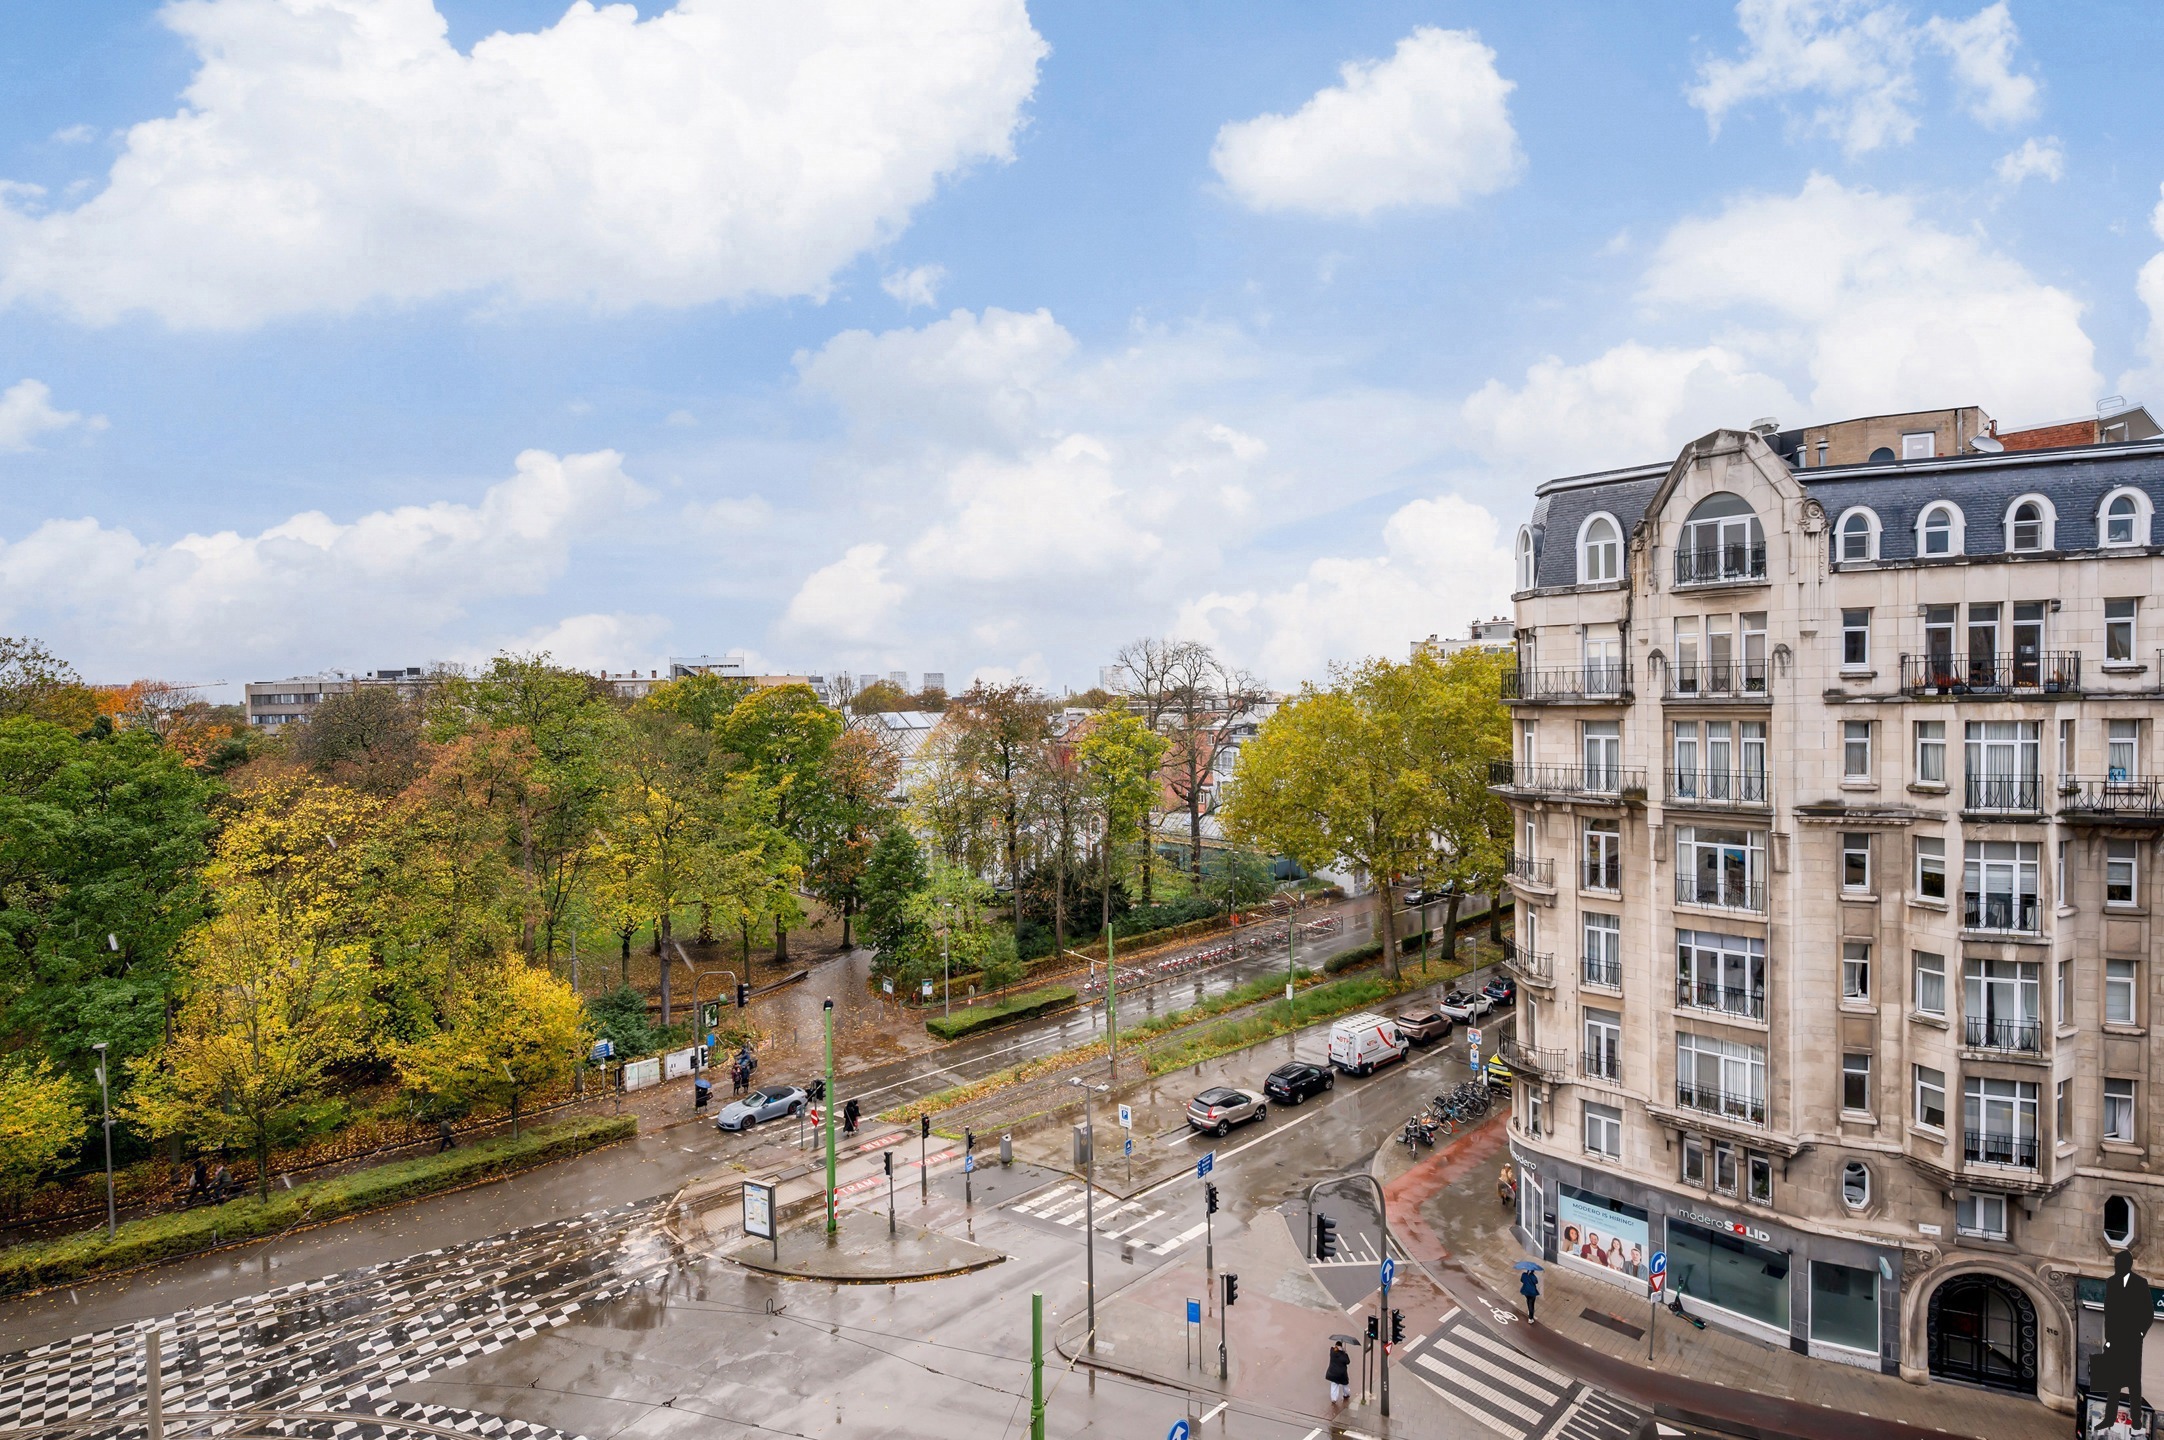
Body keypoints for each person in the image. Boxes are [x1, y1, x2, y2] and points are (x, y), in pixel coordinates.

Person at [1325, 1340, 1351, 1406]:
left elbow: (1332, 1348)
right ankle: (1346, 1394)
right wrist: (1345, 1353)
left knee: (1334, 1385)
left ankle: (1334, 1399)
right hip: (1342, 1374)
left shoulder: (1332, 1351)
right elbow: (1347, 1361)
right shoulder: (1343, 1355)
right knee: (1345, 1385)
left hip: (1333, 1372)